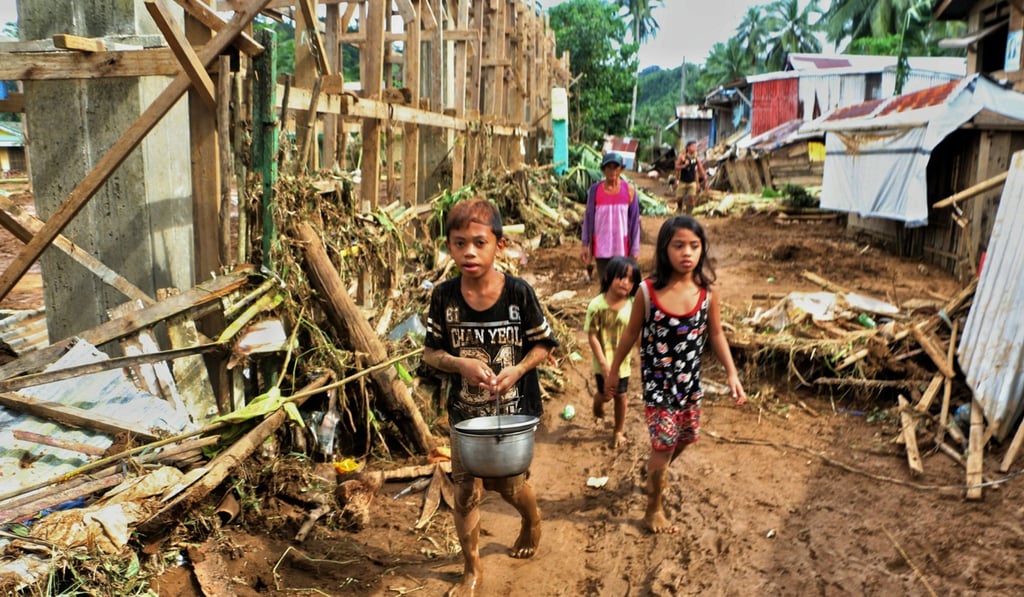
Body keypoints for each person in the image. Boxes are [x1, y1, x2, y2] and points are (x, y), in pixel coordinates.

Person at [423, 197, 558, 596]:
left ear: (499, 246)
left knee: (509, 487)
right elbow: (430, 352)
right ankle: (472, 570)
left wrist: (517, 369)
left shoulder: (518, 294)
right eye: (459, 242)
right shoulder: (444, 298)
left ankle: (531, 520)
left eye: (479, 242)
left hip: (513, 413)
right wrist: (460, 363)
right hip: (465, 415)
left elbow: (544, 345)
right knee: (464, 493)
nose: (469, 251)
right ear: (448, 246)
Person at [605, 215, 746, 534]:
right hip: (658, 386)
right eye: (679, 245)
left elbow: (717, 335)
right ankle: (652, 510)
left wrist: (732, 375)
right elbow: (629, 334)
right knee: (664, 445)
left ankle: (657, 469)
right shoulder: (646, 292)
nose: (687, 253)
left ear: (702, 250)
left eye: (694, 246)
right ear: (665, 249)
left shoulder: (707, 294)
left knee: (686, 438)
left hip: (690, 386)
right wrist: (614, 371)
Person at [585, 255, 642, 448]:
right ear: (609, 276)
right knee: (607, 394)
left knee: (621, 396)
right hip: (603, 361)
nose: (626, 283)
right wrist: (602, 363)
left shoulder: (634, 305)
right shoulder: (596, 306)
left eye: (631, 280)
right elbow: (592, 336)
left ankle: (618, 430)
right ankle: (598, 400)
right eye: (622, 277)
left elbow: (637, 332)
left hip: (623, 363)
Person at [581, 151, 641, 283]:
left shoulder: (629, 190)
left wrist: (635, 248)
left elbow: (635, 221)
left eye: (616, 167)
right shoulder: (595, 190)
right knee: (605, 283)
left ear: (621, 169)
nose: (612, 170)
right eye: (609, 167)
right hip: (601, 246)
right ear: (603, 169)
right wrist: (585, 244)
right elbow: (588, 218)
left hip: (621, 246)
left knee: (620, 282)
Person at [674, 141, 708, 214]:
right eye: (693, 146)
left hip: (692, 182)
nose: (695, 148)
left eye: (695, 146)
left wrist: (705, 179)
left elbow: (700, 169)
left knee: (692, 199)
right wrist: (684, 166)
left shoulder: (696, 158)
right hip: (682, 181)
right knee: (679, 199)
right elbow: (676, 167)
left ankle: (688, 214)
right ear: (688, 147)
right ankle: (679, 210)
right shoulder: (682, 156)